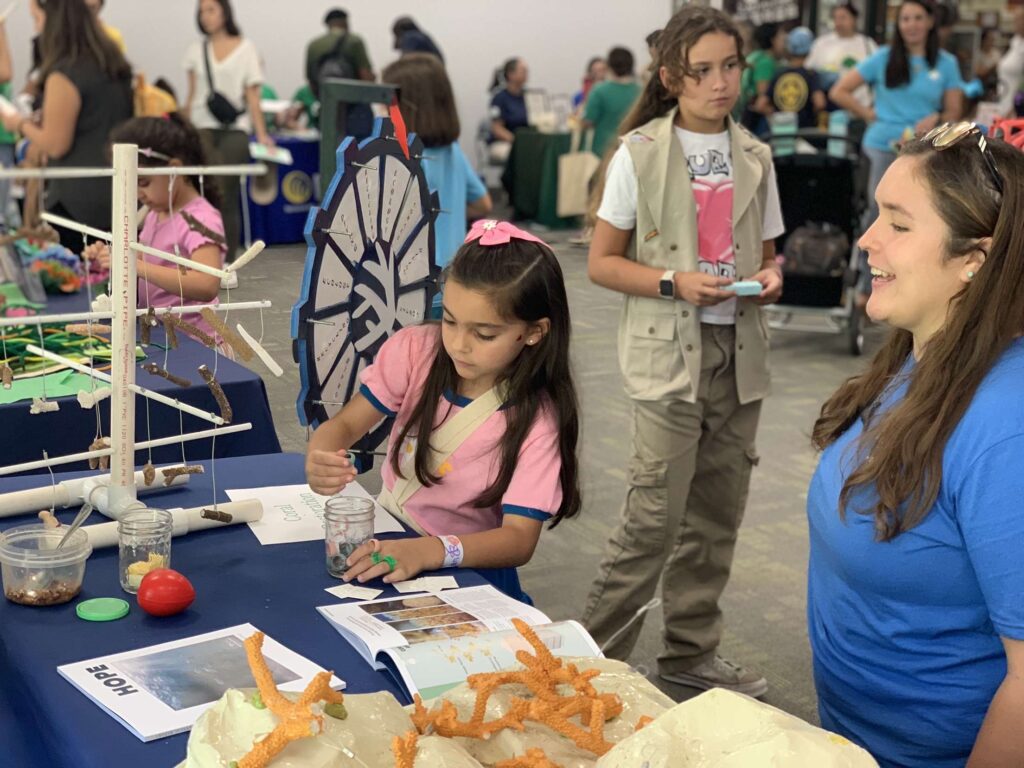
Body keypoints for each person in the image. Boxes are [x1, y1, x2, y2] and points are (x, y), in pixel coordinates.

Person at [580, 5, 784, 698]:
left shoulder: (756, 154)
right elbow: (602, 263)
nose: (721, 82)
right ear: (671, 78)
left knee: (716, 517)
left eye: (731, 66)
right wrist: (673, 281)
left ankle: (690, 655)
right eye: (703, 71)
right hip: (667, 356)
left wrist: (772, 278)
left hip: (740, 353)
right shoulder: (639, 154)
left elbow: (767, 255)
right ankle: (592, 666)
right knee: (652, 520)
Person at [807, 122, 1024, 766]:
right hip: (853, 741)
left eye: (899, 225)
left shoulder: (1003, 428)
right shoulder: (917, 355)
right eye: (877, 215)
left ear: (972, 261)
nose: (867, 239)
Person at [305, 220, 581, 602]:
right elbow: (347, 424)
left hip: (468, 573)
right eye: (450, 320)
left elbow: (518, 540)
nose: (458, 345)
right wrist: (322, 451)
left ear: (534, 332)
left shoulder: (537, 420)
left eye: (484, 334)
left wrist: (432, 550)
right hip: (392, 539)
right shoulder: (416, 351)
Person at [830, 0, 962, 307]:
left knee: (924, 220)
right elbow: (840, 90)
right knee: (879, 215)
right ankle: (866, 286)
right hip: (882, 148)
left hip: (926, 151)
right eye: (905, 19)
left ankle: (919, 288)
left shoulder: (946, 63)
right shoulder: (882, 58)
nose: (911, 24)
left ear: (930, 21)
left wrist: (938, 118)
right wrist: (869, 114)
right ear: (897, 24)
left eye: (918, 17)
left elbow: (954, 111)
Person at [86, 115, 228, 349]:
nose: (137, 193)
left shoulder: (199, 218)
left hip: (198, 347)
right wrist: (109, 258)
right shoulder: (156, 212)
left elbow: (207, 283)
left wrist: (133, 264)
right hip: (163, 340)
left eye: (143, 182)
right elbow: (150, 259)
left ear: (174, 170)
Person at [1, 0, 132, 250]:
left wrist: (19, 124)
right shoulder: (112, 65)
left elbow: (55, 144)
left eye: (36, 19)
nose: (36, 28)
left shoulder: (65, 73)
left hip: (78, 202)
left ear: (54, 20)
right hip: (119, 193)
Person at [382, 54, 491, 294]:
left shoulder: (403, 159)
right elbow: (483, 204)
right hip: (454, 276)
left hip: (414, 282)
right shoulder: (452, 150)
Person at [182, 0, 272, 281]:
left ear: (225, 12)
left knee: (226, 192)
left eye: (211, 10)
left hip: (235, 128)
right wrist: (181, 129)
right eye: (202, 12)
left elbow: (253, 97)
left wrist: (263, 134)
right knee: (204, 192)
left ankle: (227, 263)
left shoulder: (246, 48)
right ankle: (203, 258)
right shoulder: (196, 51)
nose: (206, 16)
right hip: (202, 126)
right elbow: (192, 94)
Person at [805, 2, 876, 106]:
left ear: (854, 19)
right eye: (835, 18)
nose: (838, 22)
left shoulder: (868, 44)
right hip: (830, 105)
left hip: (861, 106)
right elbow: (809, 71)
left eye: (843, 18)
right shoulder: (822, 43)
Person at [582, 47, 640, 157]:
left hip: (603, 149)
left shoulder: (599, 91)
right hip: (633, 148)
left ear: (609, 67)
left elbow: (588, 121)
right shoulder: (641, 91)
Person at [767, 26, 826, 130]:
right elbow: (820, 103)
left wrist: (779, 116)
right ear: (809, 50)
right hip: (805, 133)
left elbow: (761, 104)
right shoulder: (811, 75)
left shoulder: (779, 73)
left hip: (780, 133)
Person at [305, 7, 374, 96]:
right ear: (345, 22)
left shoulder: (313, 45)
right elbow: (365, 75)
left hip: (327, 100)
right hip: (354, 100)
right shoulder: (354, 41)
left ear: (328, 24)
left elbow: (311, 81)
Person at [738, 22, 785, 133]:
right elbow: (762, 96)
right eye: (781, 37)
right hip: (759, 121)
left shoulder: (755, 56)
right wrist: (779, 116)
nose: (784, 42)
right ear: (773, 40)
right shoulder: (766, 62)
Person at [488, 58, 529, 163]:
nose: (526, 73)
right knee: (523, 154)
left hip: (526, 142)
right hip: (504, 143)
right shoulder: (499, 99)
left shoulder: (528, 97)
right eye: (523, 70)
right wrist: (516, 141)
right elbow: (497, 129)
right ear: (511, 74)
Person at [996, 7, 1024, 118]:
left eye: (1018, 19)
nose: (1014, 23)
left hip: (1017, 109)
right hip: (1003, 102)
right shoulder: (1016, 42)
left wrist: (1015, 107)